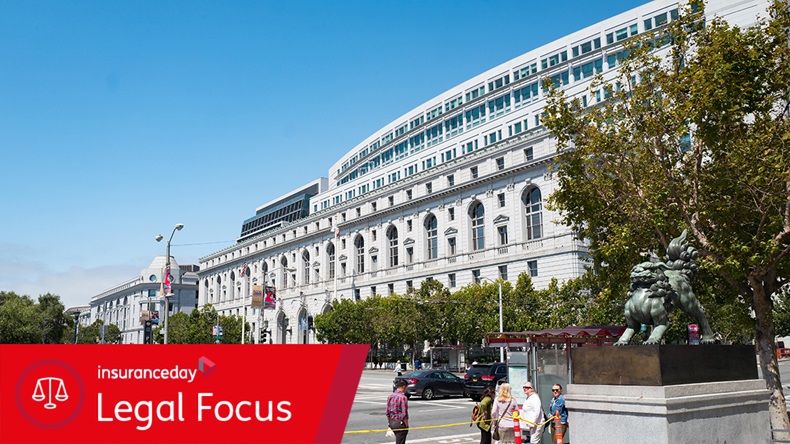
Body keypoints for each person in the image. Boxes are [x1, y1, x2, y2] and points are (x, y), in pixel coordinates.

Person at [386, 379, 409, 444]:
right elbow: (404, 414)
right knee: (400, 441)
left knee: (398, 440)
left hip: (392, 422)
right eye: (406, 387)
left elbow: (387, 412)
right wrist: (406, 425)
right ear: (403, 386)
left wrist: (389, 422)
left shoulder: (390, 396)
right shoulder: (403, 397)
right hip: (400, 423)